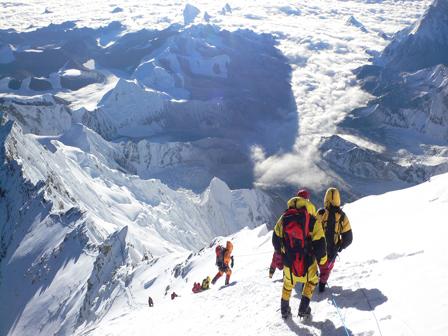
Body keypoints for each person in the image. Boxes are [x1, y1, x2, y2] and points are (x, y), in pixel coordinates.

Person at [272, 195, 327, 319]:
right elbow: (320, 245)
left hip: (289, 264)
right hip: (308, 265)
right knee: (312, 281)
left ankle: (284, 310)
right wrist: (322, 261)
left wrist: (281, 253)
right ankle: (304, 307)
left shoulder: (283, 219)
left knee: (287, 285)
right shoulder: (313, 221)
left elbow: (275, 239)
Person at [316, 187, 353, 292]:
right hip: (332, 251)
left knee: (313, 266)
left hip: (318, 249)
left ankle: (309, 284)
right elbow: (349, 238)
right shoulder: (342, 216)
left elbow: (311, 231)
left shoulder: (321, 213)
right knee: (326, 269)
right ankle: (322, 285)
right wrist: (340, 247)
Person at [269, 188, 312, 279]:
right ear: (307, 200)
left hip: (288, 253)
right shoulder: (310, 215)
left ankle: (277, 274)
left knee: (287, 271)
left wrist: (278, 252)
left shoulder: (286, 216)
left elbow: (276, 236)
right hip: (304, 252)